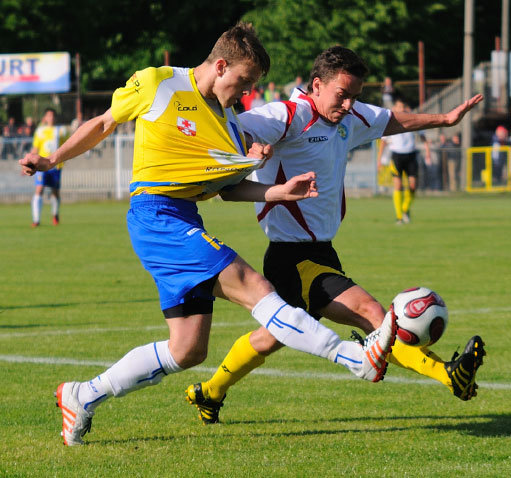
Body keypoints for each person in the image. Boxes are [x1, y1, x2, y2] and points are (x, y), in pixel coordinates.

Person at [20, 24, 397, 446]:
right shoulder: (158, 83)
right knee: (256, 286)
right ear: (220, 66)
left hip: (183, 219)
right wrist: (53, 158)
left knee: (188, 349)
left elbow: (228, 190)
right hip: (157, 216)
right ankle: (355, 359)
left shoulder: (227, 122)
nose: (246, 94)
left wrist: (276, 190)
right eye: (244, 83)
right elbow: (105, 122)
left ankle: (82, 395)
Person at [185, 45, 485, 425]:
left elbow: (391, 120)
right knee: (373, 314)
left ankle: (208, 392)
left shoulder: (351, 115)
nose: (348, 104)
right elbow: (232, 127)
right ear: (316, 85)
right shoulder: (287, 115)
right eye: (342, 95)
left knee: (272, 336)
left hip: (321, 251)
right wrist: (249, 146)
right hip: (293, 257)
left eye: (355, 96)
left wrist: (443, 119)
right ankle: (449, 375)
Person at [377, 100, 432, 224]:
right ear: (395, 108)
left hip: (411, 154)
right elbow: (383, 142)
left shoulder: (412, 119)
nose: (401, 109)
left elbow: (423, 137)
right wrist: (379, 160)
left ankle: (405, 209)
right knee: (398, 185)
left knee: (413, 185)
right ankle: (399, 217)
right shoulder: (390, 122)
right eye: (398, 107)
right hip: (396, 155)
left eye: (403, 106)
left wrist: (427, 152)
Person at [29, 108, 70, 227]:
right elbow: (35, 148)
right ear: (45, 118)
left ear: (55, 118)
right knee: (39, 189)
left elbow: (66, 145)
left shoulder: (61, 131)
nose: (51, 118)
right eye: (48, 116)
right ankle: (36, 220)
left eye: (52, 116)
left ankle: (55, 214)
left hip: (55, 166)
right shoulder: (40, 131)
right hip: (41, 166)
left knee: (55, 192)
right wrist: (30, 163)